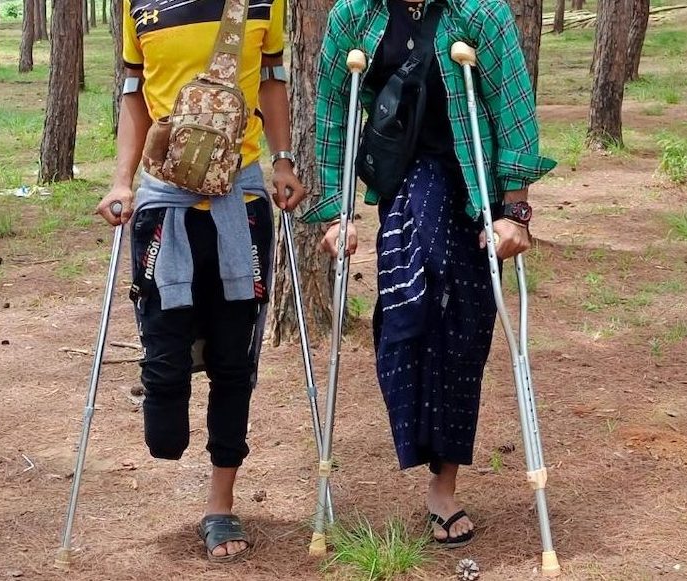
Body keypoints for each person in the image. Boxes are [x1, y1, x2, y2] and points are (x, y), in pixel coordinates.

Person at [302, 0, 556, 547]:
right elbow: (332, 109)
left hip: (471, 191)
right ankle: (419, 436)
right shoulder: (355, 15)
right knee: (407, 313)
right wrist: (335, 209)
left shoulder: (480, 13)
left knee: (463, 336)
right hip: (403, 184)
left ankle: (444, 486)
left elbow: (512, 109)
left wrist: (515, 213)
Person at [96, 0, 305, 562]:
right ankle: (169, 407)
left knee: (234, 361)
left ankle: (220, 504)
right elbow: (135, 97)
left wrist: (282, 161)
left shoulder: (265, 4)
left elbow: (271, 82)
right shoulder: (137, 6)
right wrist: (121, 180)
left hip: (242, 200)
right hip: (164, 203)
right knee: (164, 376)